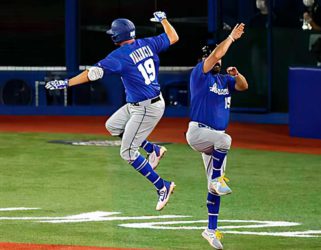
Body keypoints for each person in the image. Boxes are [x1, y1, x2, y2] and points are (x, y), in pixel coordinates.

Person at [45, 11, 179, 211]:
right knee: (112, 125)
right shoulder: (147, 43)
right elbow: (173, 37)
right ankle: (154, 149)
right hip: (140, 104)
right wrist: (163, 19)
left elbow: (92, 74)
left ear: (117, 36)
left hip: (146, 108)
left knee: (128, 153)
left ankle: (162, 186)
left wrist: (66, 83)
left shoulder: (119, 56)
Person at [185, 23, 248, 250]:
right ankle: (216, 178)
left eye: (218, 60)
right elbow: (217, 53)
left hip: (215, 139)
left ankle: (211, 230)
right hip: (199, 132)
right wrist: (231, 37)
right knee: (226, 141)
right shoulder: (199, 75)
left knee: (214, 189)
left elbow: (244, 86)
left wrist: (237, 74)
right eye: (213, 58)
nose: (217, 62)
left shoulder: (224, 81)